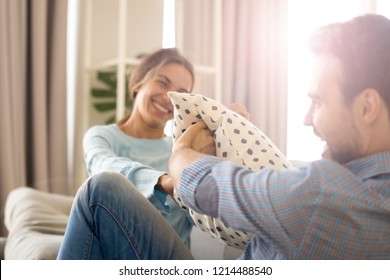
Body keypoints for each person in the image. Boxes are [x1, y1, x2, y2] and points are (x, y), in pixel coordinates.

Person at [170, 14, 390, 259]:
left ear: (367, 107)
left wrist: (181, 155)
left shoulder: (323, 194)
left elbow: (209, 186)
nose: (307, 119)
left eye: (318, 102)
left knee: (116, 189)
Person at [57, 48, 248, 259]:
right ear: (139, 82)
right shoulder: (102, 137)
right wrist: (167, 182)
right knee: (101, 186)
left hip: (168, 259)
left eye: (181, 93)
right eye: (163, 83)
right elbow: (102, 167)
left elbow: (207, 215)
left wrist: (226, 142)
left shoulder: (182, 151)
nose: (169, 97)